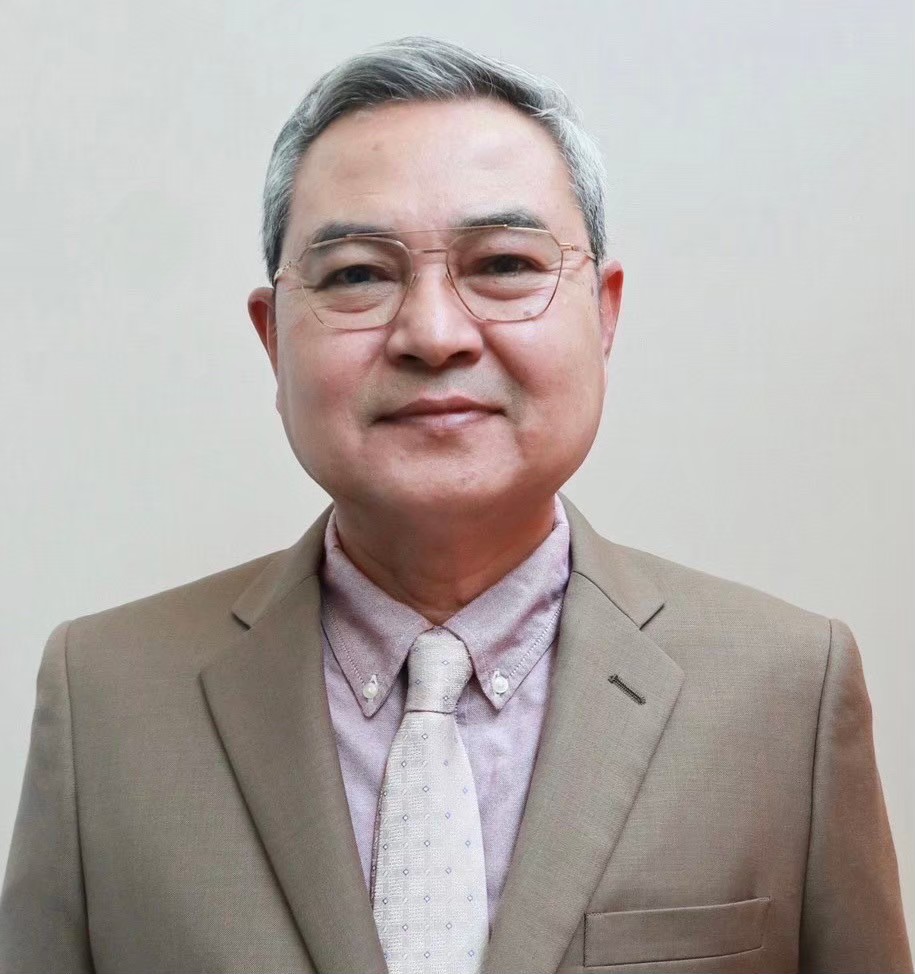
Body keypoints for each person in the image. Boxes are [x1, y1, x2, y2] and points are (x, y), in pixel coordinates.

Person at [0, 35, 910, 974]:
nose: (433, 335)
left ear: (604, 314)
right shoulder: (103, 697)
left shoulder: (785, 689)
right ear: (272, 340)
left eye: (503, 264)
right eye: (358, 274)